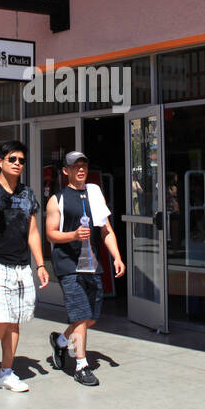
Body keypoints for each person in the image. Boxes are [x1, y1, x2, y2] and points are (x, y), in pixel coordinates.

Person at [0, 139, 49, 392]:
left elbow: (33, 232)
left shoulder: (27, 194)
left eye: (21, 160)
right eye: (12, 159)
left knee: (14, 321)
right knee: (0, 319)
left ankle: (6, 372)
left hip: (21, 267)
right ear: (0, 162)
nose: (17, 164)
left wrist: (40, 264)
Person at [45, 151, 125, 387]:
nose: (80, 169)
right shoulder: (57, 199)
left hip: (91, 263)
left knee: (90, 318)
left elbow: (106, 229)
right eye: (75, 166)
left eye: (84, 165)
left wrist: (117, 257)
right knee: (80, 316)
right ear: (65, 170)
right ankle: (81, 365)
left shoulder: (94, 192)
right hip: (68, 264)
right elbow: (50, 232)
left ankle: (60, 341)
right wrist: (73, 235)